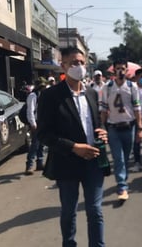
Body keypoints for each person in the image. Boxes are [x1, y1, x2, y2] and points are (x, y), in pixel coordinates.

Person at [37, 47, 108, 247]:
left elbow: (96, 123)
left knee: (95, 210)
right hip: (67, 162)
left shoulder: (92, 93)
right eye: (74, 63)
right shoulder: (51, 96)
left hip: (94, 160)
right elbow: (43, 134)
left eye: (82, 63)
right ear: (63, 65)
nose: (79, 67)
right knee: (69, 211)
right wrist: (74, 147)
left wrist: (102, 133)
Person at [100, 59, 142, 200]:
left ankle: (123, 179)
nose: (120, 71)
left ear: (126, 70)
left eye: (123, 69)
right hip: (113, 128)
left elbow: (137, 108)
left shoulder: (132, 86)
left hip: (128, 126)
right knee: (118, 159)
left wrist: (140, 128)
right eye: (118, 68)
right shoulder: (107, 87)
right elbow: (104, 109)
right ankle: (122, 186)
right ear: (114, 70)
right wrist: (102, 127)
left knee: (125, 157)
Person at [24, 78, 47, 175]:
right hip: (36, 122)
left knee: (42, 144)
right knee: (35, 144)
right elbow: (30, 111)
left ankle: (40, 163)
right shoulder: (33, 95)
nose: (42, 87)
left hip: (43, 122)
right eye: (41, 86)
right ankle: (29, 165)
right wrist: (33, 124)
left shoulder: (43, 94)